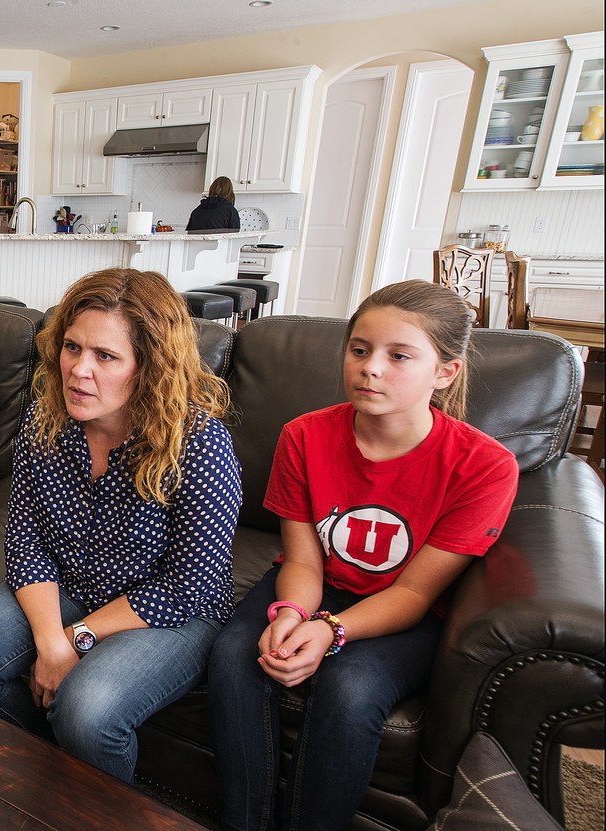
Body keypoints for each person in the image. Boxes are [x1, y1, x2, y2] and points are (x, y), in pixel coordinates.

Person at [207, 280, 519, 831]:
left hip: (404, 607)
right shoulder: (303, 436)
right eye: (359, 349)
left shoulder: (484, 466)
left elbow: (416, 592)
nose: (371, 367)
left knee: (350, 689)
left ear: (444, 372)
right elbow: (302, 561)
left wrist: (331, 630)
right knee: (237, 652)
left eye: (399, 356)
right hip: (319, 581)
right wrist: (291, 615)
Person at [0, 267, 241, 783]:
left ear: (151, 367)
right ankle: (48, 785)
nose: (79, 370)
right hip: (73, 582)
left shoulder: (200, 443)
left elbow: (188, 587)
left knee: (88, 709)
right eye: (72, 347)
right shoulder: (44, 417)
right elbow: (25, 538)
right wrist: (51, 641)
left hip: (169, 612)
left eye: (106, 356)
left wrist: (73, 638)